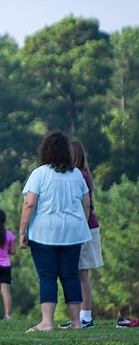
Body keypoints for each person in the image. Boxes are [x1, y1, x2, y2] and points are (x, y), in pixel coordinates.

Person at [20, 131, 91, 332]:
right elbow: (86, 203)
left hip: (44, 233)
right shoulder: (77, 174)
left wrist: (22, 230)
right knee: (70, 276)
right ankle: (76, 322)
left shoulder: (40, 174)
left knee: (47, 276)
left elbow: (29, 203)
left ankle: (47, 322)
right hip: (73, 233)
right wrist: (80, 224)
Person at [60, 140, 102, 329]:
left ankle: (85, 316)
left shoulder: (80, 176)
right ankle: (80, 316)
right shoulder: (82, 175)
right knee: (77, 273)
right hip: (81, 227)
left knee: (81, 273)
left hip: (84, 228)